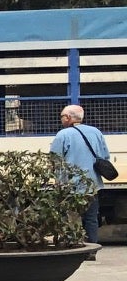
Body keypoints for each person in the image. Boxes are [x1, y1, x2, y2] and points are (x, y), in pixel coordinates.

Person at [50, 104, 113, 244]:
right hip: (92, 185)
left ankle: (73, 245)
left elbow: (54, 159)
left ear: (68, 118)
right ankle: (91, 249)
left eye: (61, 117)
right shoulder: (96, 132)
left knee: (71, 217)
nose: (61, 120)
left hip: (69, 186)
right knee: (91, 218)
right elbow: (104, 156)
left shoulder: (63, 134)